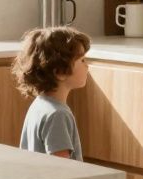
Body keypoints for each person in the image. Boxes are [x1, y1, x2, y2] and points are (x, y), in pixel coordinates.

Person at [12, 26, 91, 160]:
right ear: (59, 72)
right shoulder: (58, 115)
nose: (87, 65)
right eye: (82, 60)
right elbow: (62, 169)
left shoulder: (39, 105)